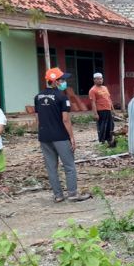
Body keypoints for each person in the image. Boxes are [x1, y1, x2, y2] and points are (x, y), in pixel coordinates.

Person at [35, 67, 90, 202]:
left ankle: (58, 195)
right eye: (62, 79)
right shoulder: (62, 97)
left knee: (51, 167)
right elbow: (65, 120)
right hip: (60, 136)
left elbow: (37, 120)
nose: (64, 82)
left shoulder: (38, 97)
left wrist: (43, 132)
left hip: (44, 137)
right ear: (55, 81)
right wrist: (71, 137)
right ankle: (72, 194)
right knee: (69, 166)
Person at [88, 72, 116, 147]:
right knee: (102, 126)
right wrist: (95, 114)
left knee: (110, 125)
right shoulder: (92, 90)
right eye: (98, 79)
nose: (100, 80)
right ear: (94, 80)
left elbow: (109, 99)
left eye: (101, 79)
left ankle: (109, 139)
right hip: (100, 111)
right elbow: (93, 102)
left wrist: (113, 109)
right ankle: (102, 141)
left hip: (108, 110)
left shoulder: (105, 88)